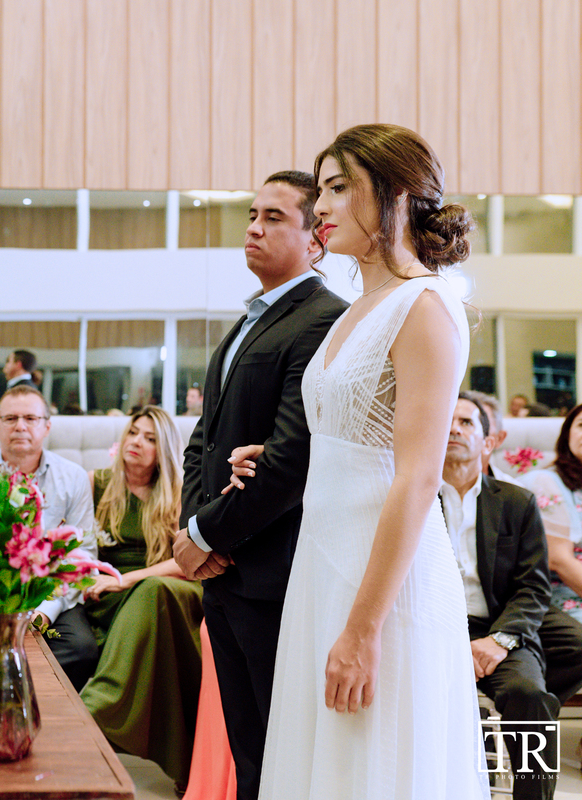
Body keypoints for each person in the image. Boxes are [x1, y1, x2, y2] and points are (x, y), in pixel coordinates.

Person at [230, 124, 486, 799]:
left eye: (339, 188)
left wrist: (363, 628)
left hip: (385, 584)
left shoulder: (425, 306)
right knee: (327, 765)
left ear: (396, 196)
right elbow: (355, 429)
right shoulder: (356, 308)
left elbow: (417, 474)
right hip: (325, 564)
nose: (322, 207)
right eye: (322, 190)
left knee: (372, 766)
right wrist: (282, 454)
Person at [171, 170, 348, 800]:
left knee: (283, 754)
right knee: (250, 753)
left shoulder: (326, 320)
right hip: (223, 573)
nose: (253, 227)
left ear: (316, 236)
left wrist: (206, 534)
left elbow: (290, 460)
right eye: (252, 214)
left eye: (274, 217)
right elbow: (204, 440)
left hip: (275, 574)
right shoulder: (247, 320)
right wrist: (192, 529)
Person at [440, 394, 582, 800]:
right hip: (433, 627)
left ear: (488, 441)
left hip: (498, 624)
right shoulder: (414, 498)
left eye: (467, 422)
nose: (453, 429)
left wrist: (499, 641)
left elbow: (533, 585)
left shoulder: (516, 502)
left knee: (530, 697)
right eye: (446, 421)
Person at [77, 407, 204, 790]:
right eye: (133, 433)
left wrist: (127, 578)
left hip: (170, 586)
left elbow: (187, 563)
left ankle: (96, 706)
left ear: (163, 449)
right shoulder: (95, 482)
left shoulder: (181, 492)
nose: (137, 442)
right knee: (135, 599)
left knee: (152, 592)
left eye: (150, 438)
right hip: (110, 593)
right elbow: (75, 547)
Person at [0, 384, 99, 690]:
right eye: (10, 419)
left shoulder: (72, 477)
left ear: (46, 426)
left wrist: (45, 611)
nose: (20, 426)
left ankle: (35, 703)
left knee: (81, 649)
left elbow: (82, 553)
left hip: (51, 589)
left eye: (30, 418)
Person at [524, 403, 582, 623]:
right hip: (566, 597)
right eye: (581, 425)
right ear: (567, 435)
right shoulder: (545, 482)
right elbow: (559, 560)